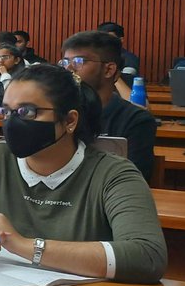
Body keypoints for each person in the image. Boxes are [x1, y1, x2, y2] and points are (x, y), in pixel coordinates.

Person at [0, 64, 166, 284]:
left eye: (26, 112)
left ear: (70, 120)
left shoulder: (113, 173)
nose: (12, 122)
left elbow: (146, 256)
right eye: (6, 112)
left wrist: (25, 246)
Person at [61, 30, 156, 182]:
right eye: (65, 62)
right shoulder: (61, 112)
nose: (68, 69)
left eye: (79, 61)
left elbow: (133, 179)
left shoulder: (136, 120)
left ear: (109, 69)